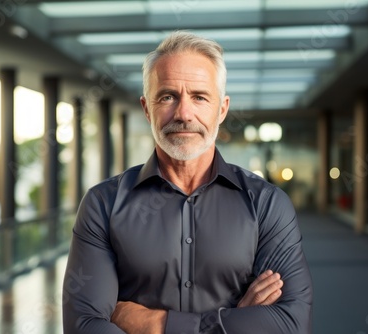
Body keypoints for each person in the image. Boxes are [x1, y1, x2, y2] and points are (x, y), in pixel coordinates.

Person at [63, 30, 313, 334]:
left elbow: (289, 324)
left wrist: (155, 323)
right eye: (168, 96)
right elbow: (85, 326)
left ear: (222, 109)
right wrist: (232, 320)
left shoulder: (267, 205)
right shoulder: (103, 205)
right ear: (146, 109)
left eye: (199, 97)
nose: (183, 113)